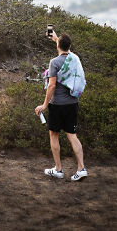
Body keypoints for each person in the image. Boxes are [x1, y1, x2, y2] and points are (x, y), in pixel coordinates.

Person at [35, 31, 88, 181]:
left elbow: (51, 86)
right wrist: (57, 39)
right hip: (72, 103)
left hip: (57, 104)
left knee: (54, 134)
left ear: (58, 45)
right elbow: (66, 50)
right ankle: (81, 168)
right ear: (70, 46)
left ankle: (58, 169)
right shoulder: (75, 59)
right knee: (72, 135)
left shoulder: (55, 62)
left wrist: (44, 105)